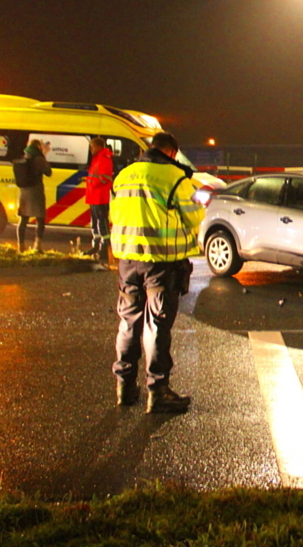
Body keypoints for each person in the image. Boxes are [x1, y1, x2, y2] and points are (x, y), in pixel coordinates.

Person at [109, 132, 204, 413]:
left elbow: (115, 216)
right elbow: (195, 217)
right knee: (156, 326)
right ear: (172, 152)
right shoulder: (174, 178)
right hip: (161, 263)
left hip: (127, 260)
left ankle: (125, 387)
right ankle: (158, 391)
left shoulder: (124, 175)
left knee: (128, 323)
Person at [16, 139, 52, 252]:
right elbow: (48, 172)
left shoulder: (24, 156)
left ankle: (21, 246)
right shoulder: (39, 158)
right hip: (36, 191)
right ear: (38, 146)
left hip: (24, 192)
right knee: (40, 219)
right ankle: (38, 245)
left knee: (23, 219)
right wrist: (44, 155)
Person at [84, 137, 114, 261]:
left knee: (102, 224)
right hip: (93, 196)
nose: (91, 149)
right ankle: (96, 246)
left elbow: (105, 178)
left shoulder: (104, 159)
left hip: (100, 196)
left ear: (100, 146)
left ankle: (105, 249)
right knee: (95, 223)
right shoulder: (97, 158)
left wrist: (92, 182)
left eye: (93, 146)